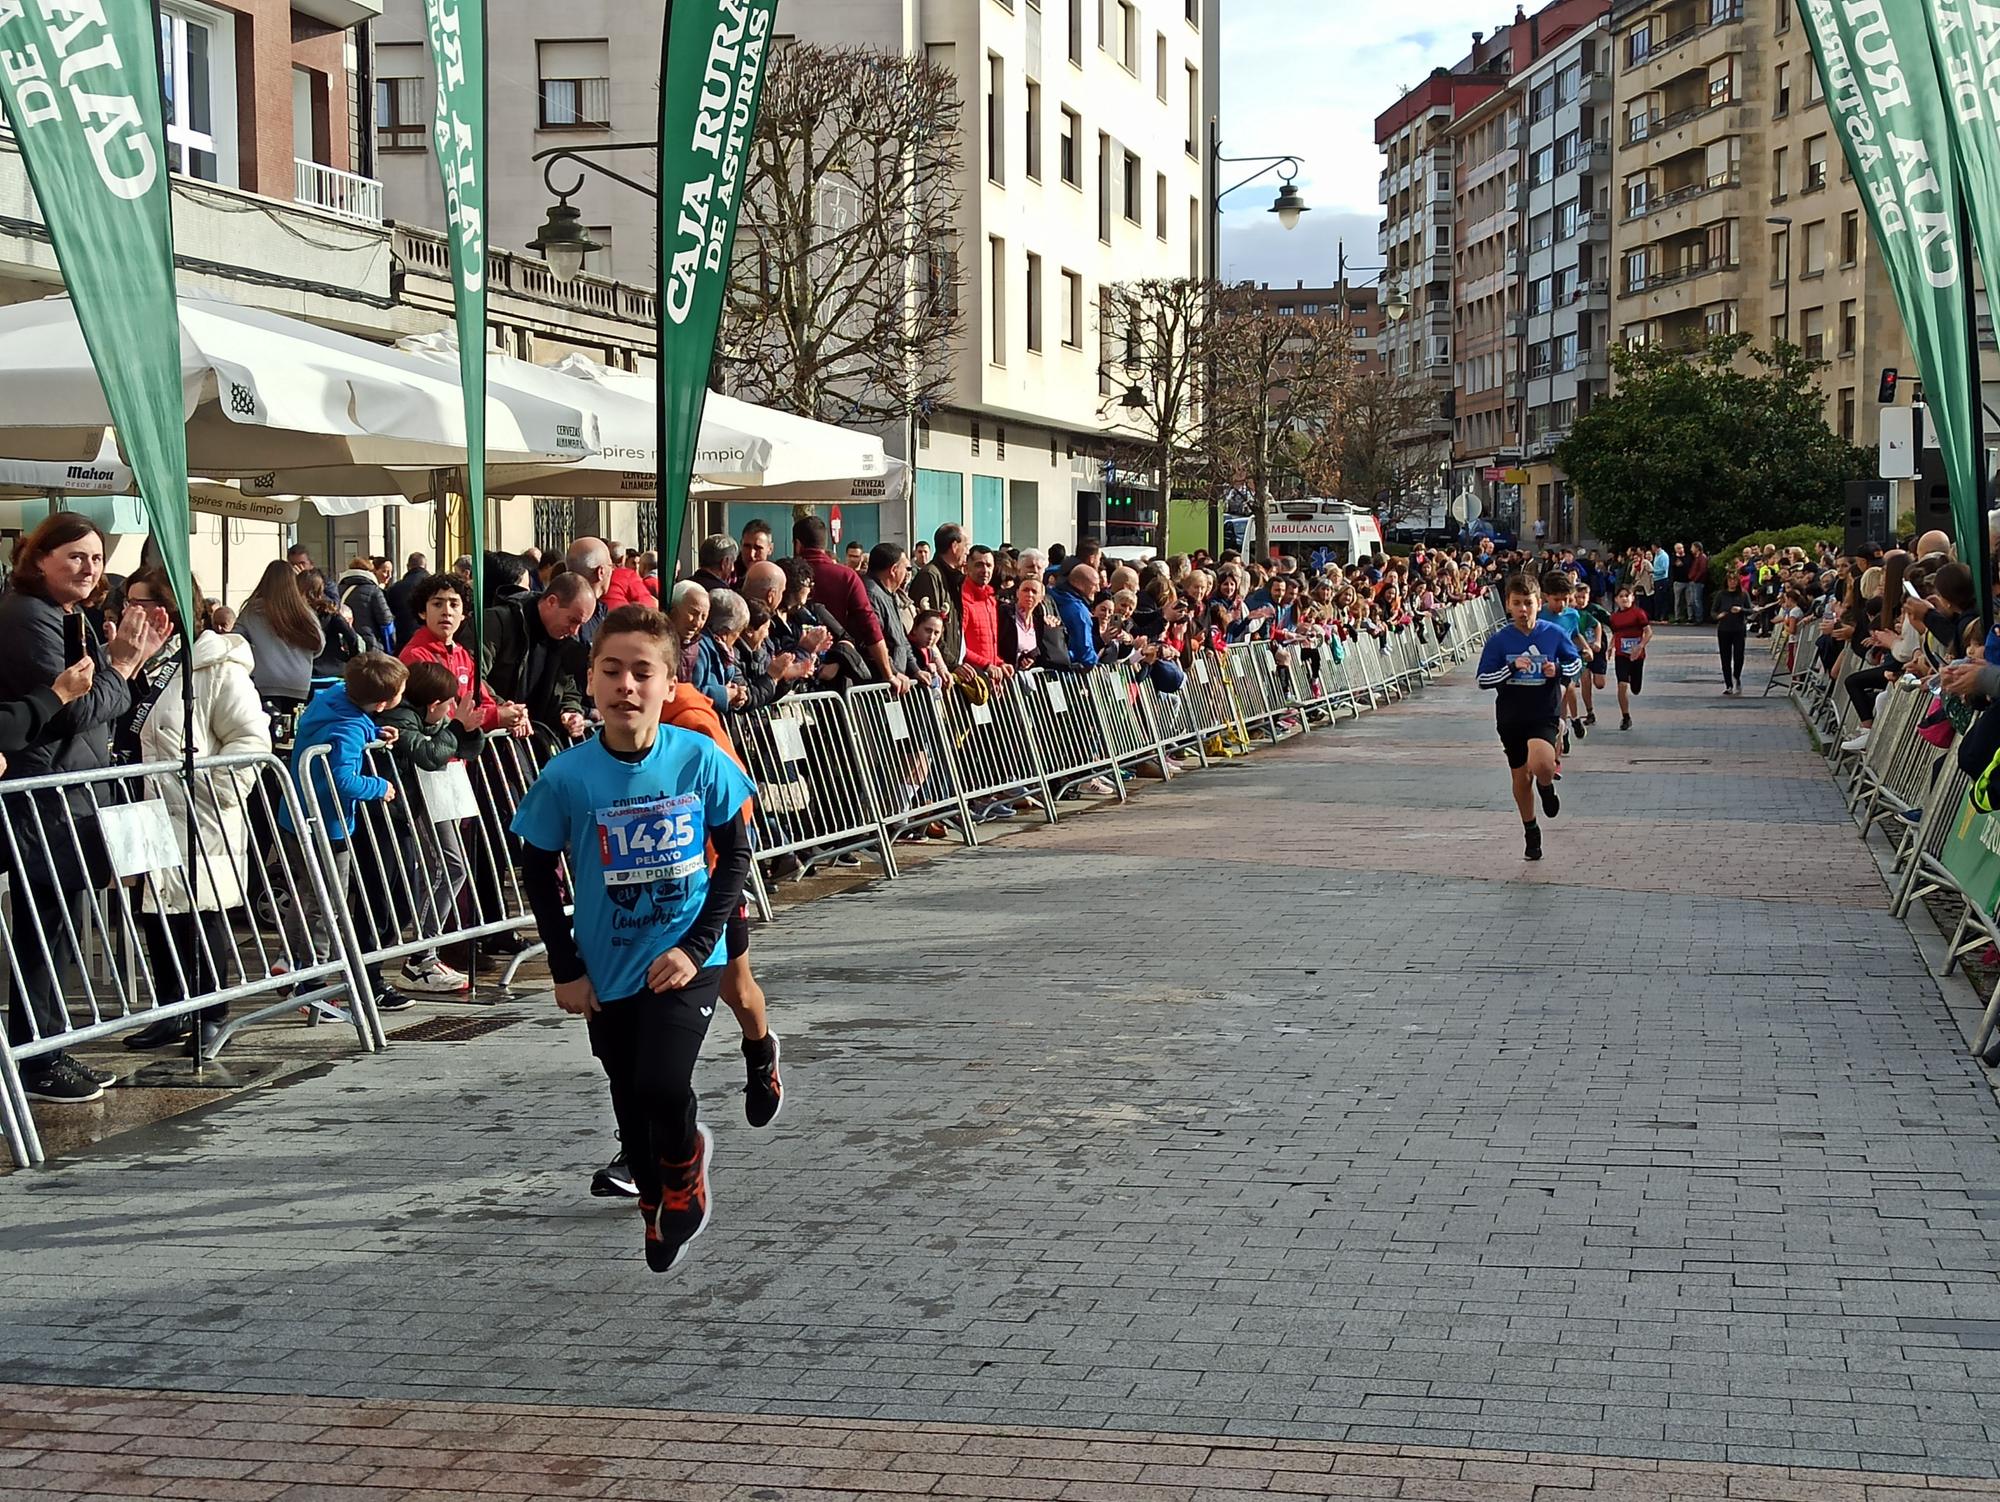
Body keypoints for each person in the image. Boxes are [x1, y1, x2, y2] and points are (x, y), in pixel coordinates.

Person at [512, 606, 757, 1273]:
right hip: (606, 961)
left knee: (660, 1081)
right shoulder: (566, 777)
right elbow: (535, 869)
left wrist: (696, 943)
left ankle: (684, 1166)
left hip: (687, 954)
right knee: (629, 1093)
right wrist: (565, 967)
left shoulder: (698, 758)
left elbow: (735, 856)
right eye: (611, 671)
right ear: (590, 682)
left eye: (642, 672)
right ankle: (658, 1194)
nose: (626, 685)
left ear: (668, 681)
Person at [0, 513, 163, 1101]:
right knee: (45, 927)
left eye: (95, 558)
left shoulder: (70, 616)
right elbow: (72, 708)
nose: (89, 568)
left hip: (71, 789)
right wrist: (122, 665)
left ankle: (49, 1048)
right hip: (43, 794)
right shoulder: (26, 616)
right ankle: (36, 1058)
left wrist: (119, 670)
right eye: (74, 556)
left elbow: (102, 703)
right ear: (39, 558)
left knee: (61, 925)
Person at [118, 568, 272, 1056]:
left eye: (132, 602)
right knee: (154, 911)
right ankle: (171, 1010)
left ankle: (212, 1012)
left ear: (160, 609)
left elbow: (250, 739)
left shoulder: (215, 666)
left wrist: (216, 790)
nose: (123, 611)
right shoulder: (129, 662)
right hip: (140, 804)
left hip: (195, 810)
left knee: (197, 914)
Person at [272, 653, 418, 1017]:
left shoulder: (335, 698)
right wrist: (379, 786)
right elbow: (344, 778)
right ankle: (313, 981)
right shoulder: (349, 728)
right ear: (383, 702)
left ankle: (289, 960)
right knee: (329, 903)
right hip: (326, 823)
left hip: (296, 813)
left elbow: (347, 719)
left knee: (307, 893)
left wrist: (375, 731)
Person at [378, 658, 477, 997]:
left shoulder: (426, 718)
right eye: (447, 705)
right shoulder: (402, 718)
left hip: (426, 801)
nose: (450, 710)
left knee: (452, 869)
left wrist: (467, 728)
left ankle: (423, 954)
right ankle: (420, 956)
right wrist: (456, 729)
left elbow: (464, 744)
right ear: (433, 704)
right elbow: (430, 754)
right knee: (445, 870)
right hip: (399, 808)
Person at [1476, 572, 1580, 862]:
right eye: (1517, 603)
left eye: (1529, 603)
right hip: (1511, 717)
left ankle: (1546, 787)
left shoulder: (1552, 633)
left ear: (1539, 603)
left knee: (1543, 763)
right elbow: (1484, 679)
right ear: (1508, 605)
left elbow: (1575, 663)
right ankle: (1530, 830)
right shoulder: (1500, 640)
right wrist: (1511, 669)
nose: (1524, 610)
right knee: (1521, 778)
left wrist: (1557, 671)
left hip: (1543, 711)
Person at [791, 515, 908, 692]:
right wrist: (888, 674)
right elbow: (870, 626)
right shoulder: (846, 576)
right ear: (825, 545)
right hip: (838, 670)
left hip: (790, 668)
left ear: (798, 544)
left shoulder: (786, 573)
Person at [481, 571, 594, 743]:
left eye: (580, 624)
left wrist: (571, 712)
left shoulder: (566, 641)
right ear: (551, 602)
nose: (574, 631)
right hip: (497, 740)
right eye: (572, 620)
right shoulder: (499, 622)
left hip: (540, 741)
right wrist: (504, 709)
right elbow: (470, 677)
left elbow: (568, 687)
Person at [235, 559, 324, 709]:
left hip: (264, 681)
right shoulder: (304, 612)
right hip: (298, 681)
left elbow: (236, 638)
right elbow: (319, 646)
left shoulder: (251, 611)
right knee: (293, 728)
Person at [908, 523, 968, 663]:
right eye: (966, 545)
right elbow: (930, 626)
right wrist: (951, 663)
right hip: (935, 668)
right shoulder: (930, 576)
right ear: (954, 546)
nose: (967, 552)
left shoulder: (953, 578)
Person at [863, 543, 916, 677]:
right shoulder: (871, 595)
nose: (908, 573)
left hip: (896, 678)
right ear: (893, 570)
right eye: (907, 568)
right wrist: (893, 673)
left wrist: (915, 670)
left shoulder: (891, 594)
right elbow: (874, 641)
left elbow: (901, 639)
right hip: (880, 681)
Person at [302, 569, 364, 678]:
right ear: (321, 588)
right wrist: (350, 658)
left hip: (306, 669)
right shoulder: (328, 611)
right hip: (335, 667)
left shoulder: (296, 613)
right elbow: (352, 637)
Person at [1608, 583, 1653, 731]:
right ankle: (1625, 716)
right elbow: (1615, 634)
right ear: (1616, 600)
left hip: (1637, 656)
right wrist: (1610, 647)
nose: (1624, 599)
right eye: (1621, 597)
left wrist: (1640, 646)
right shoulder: (1614, 618)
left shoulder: (1638, 614)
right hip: (1621, 655)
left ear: (1632, 598)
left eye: (1626, 596)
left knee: (1635, 688)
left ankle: (1636, 682)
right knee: (1622, 684)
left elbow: (1648, 632)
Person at [565, 537, 616, 645]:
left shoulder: (601, 611)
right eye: (610, 566)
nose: (613, 571)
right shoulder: (575, 618)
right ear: (600, 572)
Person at [338, 556, 394, 652]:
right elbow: (386, 622)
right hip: (368, 646)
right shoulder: (374, 591)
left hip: (343, 645)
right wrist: (389, 650)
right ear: (370, 572)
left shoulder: (337, 589)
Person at [1711, 573, 1751, 695]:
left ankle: (1736, 675)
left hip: (1738, 629)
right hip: (1724, 629)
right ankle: (1728, 684)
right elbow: (1713, 611)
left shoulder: (1743, 594)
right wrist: (1718, 616)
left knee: (1739, 656)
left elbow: (1750, 610)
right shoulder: (1721, 595)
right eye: (1730, 580)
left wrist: (1741, 610)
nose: (1732, 582)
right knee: (1725, 657)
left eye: (1734, 580)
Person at [386, 551, 428, 648]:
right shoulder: (434, 585)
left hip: (403, 638)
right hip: (429, 637)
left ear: (408, 567)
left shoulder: (396, 588)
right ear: (425, 566)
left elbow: (388, 615)